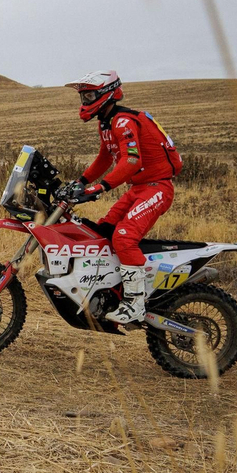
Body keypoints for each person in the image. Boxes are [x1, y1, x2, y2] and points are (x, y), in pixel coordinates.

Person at [58, 70, 182, 325]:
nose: (85, 102)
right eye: (83, 97)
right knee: (103, 230)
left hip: (157, 188)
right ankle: (113, 291)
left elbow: (132, 160)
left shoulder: (123, 121)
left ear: (107, 93)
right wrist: (80, 182)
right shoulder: (106, 122)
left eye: (89, 95)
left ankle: (135, 304)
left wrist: (100, 187)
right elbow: (105, 158)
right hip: (138, 188)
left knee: (124, 238)